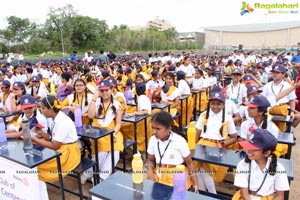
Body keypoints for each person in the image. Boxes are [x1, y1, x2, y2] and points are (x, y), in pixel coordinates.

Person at [32, 95, 80, 187]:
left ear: (51, 109)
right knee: (36, 156)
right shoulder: (55, 118)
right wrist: (41, 133)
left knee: (39, 164)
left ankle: (38, 187)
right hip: (62, 147)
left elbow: (55, 146)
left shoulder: (62, 122)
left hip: (69, 153)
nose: (41, 110)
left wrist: (34, 138)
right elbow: (52, 138)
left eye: (43, 108)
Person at [195, 91, 237, 193]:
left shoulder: (227, 118)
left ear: (223, 105)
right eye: (213, 104)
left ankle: (211, 193)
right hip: (203, 144)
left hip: (217, 145)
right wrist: (195, 146)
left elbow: (234, 137)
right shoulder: (204, 115)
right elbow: (197, 133)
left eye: (219, 104)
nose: (215, 107)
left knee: (206, 170)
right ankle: (203, 193)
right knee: (198, 169)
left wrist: (222, 144)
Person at [146, 111, 199, 193]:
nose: (154, 132)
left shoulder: (179, 141)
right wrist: (149, 171)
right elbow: (150, 160)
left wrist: (195, 183)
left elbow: (189, 163)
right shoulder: (153, 140)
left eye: (158, 129)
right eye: (152, 128)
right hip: (159, 176)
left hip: (177, 177)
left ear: (169, 129)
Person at [82, 80, 124, 183]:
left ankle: (101, 177)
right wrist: (94, 98)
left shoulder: (117, 104)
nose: (105, 93)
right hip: (97, 130)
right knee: (102, 152)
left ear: (111, 90)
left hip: (112, 130)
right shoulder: (96, 102)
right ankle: (89, 173)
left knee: (116, 151)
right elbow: (91, 116)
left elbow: (118, 123)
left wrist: (113, 133)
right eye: (102, 90)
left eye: (107, 90)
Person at [233, 128, 289, 200]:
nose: (249, 151)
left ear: (266, 153)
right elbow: (244, 193)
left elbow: (279, 196)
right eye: (248, 147)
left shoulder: (279, 168)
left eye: (254, 149)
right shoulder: (243, 164)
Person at [121, 82, 151, 152]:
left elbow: (145, 111)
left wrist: (133, 113)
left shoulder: (141, 98)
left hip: (143, 121)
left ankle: (135, 150)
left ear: (136, 91)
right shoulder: (144, 97)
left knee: (124, 128)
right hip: (145, 120)